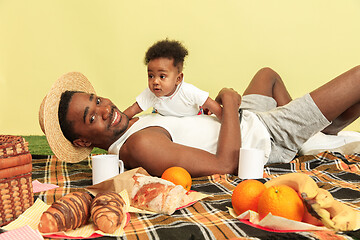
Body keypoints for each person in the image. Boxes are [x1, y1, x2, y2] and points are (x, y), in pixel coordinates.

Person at [39, 65, 360, 177]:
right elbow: (224, 164)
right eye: (91, 116)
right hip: (262, 135)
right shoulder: (139, 144)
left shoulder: (133, 126)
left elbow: (181, 125)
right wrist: (230, 104)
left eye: (97, 99)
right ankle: (297, 134)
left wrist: (203, 112)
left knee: (267, 76)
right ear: (82, 141)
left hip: (245, 118)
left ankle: (313, 132)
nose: (104, 108)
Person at [123, 39, 222, 120]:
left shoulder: (188, 91)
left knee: (207, 111)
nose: (155, 82)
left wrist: (226, 122)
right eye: (151, 76)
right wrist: (114, 125)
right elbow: (132, 110)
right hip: (166, 120)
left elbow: (214, 106)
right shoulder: (151, 93)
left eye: (162, 76)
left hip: (193, 117)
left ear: (178, 79)